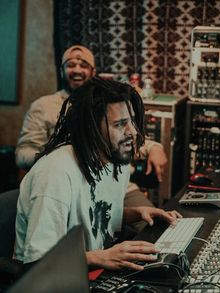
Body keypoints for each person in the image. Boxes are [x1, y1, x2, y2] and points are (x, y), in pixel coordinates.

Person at [14, 77, 181, 271]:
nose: (133, 132)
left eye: (132, 121)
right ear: (90, 129)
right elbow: (37, 263)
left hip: (91, 271)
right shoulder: (55, 173)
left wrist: (137, 214)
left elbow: (93, 215)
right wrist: (101, 257)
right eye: (119, 124)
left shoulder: (114, 161)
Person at [15, 45, 167, 230]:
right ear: (61, 70)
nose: (77, 70)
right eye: (71, 65)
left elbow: (120, 139)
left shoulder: (109, 105)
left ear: (93, 71)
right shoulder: (43, 107)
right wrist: (67, 155)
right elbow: (23, 154)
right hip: (76, 180)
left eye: (84, 65)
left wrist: (155, 147)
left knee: (155, 231)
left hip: (112, 183)